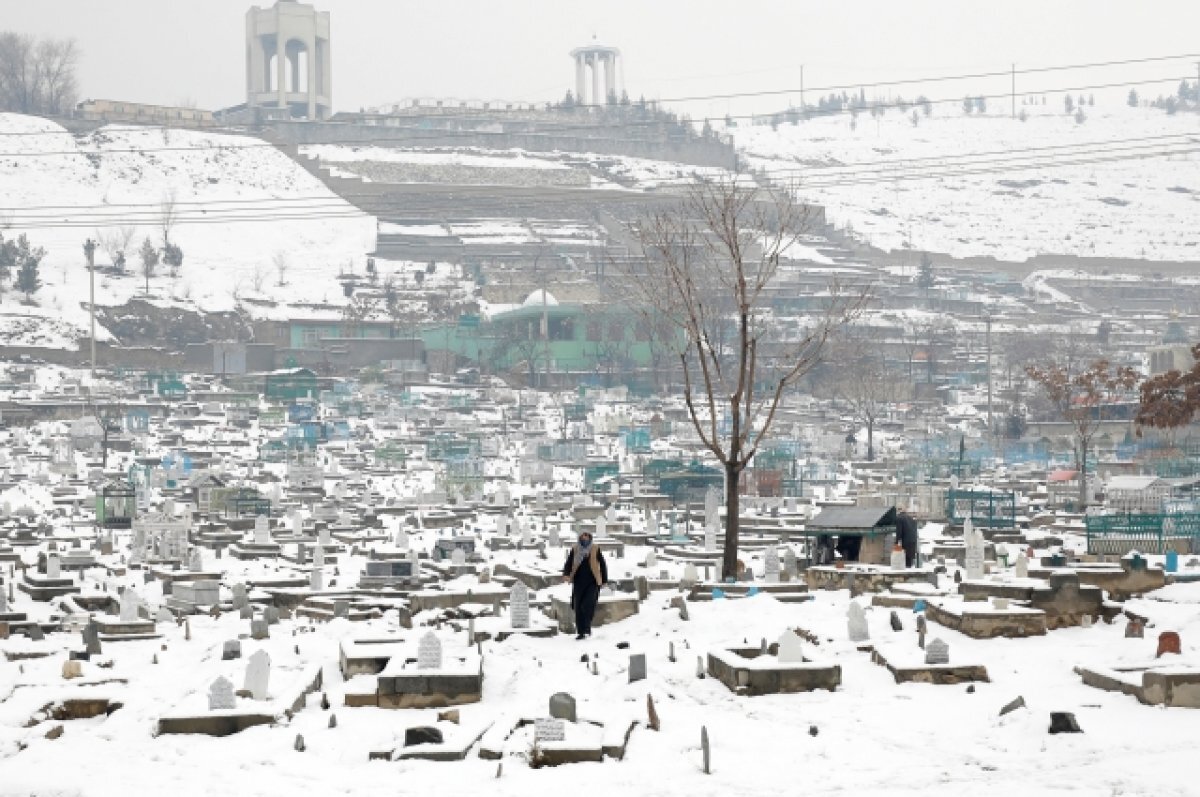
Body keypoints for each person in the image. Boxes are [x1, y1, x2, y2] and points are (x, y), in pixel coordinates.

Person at [561, 530, 608, 640]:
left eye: (587, 535)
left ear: (590, 537)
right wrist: (566, 574)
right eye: (583, 535)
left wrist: (604, 580)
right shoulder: (575, 548)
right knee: (578, 607)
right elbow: (569, 562)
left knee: (588, 605)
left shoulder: (595, 548)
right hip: (578, 581)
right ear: (580, 537)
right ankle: (580, 632)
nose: (585, 537)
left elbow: (602, 564)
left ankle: (587, 628)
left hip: (592, 582)